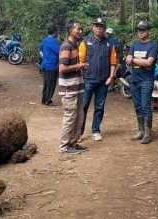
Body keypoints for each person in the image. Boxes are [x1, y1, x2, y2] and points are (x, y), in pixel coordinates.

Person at [78, 17, 117, 142]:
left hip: (102, 81)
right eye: (97, 26)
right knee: (83, 106)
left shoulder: (109, 44)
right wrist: (81, 77)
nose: (99, 28)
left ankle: (96, 131)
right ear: (93, 27)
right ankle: (79, 132)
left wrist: (111, 77)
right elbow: (80, 61)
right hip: (88, 80)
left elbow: (113, 62)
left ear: (104, 28)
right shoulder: (85, 41)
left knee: (99, 107)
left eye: (101, 26)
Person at [58, 20, 88, 154]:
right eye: (78, 29)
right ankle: (64, 147)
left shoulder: (75, 45)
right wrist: (78, 66)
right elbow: (63, 68)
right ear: (71, 31)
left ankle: (73, 143)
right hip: (69, 89)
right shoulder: (66, 46)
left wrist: (81, 67)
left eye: (81, 29)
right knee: (70, 117)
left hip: (77, 87)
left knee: (78, 117)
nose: (80, 31)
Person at [127, 20, 158, 144]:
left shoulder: (153, 46)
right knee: (137, 106)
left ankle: (147, 133)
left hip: (146, 80)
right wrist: (141, 61)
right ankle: (140, 130)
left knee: (146, 106)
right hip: (134, 80)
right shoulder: (135, 44)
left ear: (148, 31)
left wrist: (134, 60)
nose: (140, 32)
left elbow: (149, 63)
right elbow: (128, 60)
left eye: (143, 30)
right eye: (139, 30)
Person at [39, 25, 60, 106]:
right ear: (55, 32)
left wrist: (45, 54)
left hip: (45, 64)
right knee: (51, 84)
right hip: (52, 66)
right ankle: (47, 100)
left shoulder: (45, 40)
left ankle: (44, 99)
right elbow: (58, 51)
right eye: (57, 31)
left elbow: (40, 47)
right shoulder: (53, 41)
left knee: (46, 83)